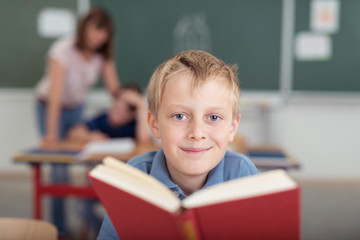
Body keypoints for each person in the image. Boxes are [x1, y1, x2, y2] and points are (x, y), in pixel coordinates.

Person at [97, 50, 260, 239]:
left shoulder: (242, 174)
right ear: (154, 123)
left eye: (214, 117)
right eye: (180, 116)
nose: (197, 133)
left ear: (232, 127)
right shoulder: (135, 177)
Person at [34, 7, 120, 238]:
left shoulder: (101, 55)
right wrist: (52, 134)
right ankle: (59, 229)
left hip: (77, 108)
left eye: (104, 33)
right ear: (85, 28)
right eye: (96, 30)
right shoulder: (63, 49)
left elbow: (115, 90)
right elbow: (56, 94)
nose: (99, 37)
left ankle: (91, 223)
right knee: (59, 168)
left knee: (88, 162)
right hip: (50, 107)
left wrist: (131, 104)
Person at [67, 85, 151, 145]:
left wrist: (141, 106)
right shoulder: (102, 119)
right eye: (121, 101)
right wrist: (89, 136)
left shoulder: (135, 125)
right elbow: (73, 133)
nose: (122, 109)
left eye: (130, 106)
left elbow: (144, 141)